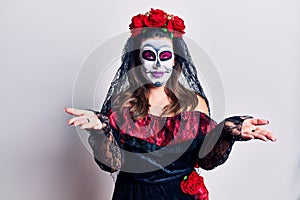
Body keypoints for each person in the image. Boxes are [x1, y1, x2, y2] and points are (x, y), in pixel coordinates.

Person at [65, 8, 276, 200]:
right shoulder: (122, 104)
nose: (158, 64)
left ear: (174, 59)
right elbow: (111, 165)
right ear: (138, 59)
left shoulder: (194, 103)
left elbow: (206, 162)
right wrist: (101, 131)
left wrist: (228, 130)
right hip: (132, 195)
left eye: (165, 56)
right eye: (149, 55)